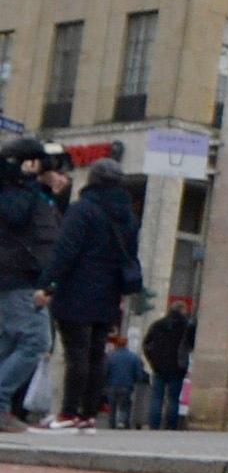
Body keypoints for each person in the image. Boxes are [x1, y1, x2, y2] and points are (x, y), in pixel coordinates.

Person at [40, 156, 141, 430]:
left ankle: (68, 412)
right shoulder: (128, 217)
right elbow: (130, 255)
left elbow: (66, 250)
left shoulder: (82, 210)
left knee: (76, 354)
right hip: (109, 292)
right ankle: (88, 415)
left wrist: (47, 283)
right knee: (97, 354)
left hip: (77, 289)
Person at [0, 135, 63, 431]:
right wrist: (30, 182)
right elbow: (17, 217)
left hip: (22, 277)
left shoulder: (23, 189)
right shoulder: (12, 189)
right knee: (36, 341)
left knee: (8, 344)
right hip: (17, 277)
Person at [143, 301, 195, 430]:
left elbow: (146, 344)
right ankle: (171, 425)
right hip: (177, 366)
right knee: (173, 399)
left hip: (158, 367)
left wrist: (152, 360)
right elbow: (191, 345)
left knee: (157, 398)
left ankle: (154, 425)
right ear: (182, 310)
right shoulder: (187, 326)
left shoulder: (157, 324)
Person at [102, 333, 145, 429]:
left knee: (112, 407)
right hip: (127, 385)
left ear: (117, 344)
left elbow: (105, 372)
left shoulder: (110, 357)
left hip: (112, 385)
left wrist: (104, 384)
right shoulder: (134, 357)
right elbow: (138, 373)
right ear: (126, 344)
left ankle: (112, 424)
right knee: (124, 405)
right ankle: (122, 422)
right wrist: (136, 381)